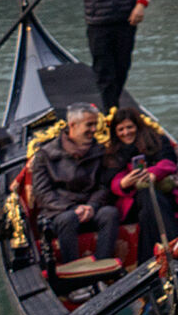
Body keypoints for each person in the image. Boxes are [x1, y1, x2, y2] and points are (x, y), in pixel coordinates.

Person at [31, 103, 121, 264]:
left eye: (95, 124)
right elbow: (42, 193)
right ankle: (72, 271)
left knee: (110, 213)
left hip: (91, 208)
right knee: (68, 218)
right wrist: (72, 209)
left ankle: (103, 266)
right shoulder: (45, 154)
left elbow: (104, 186)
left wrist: (92, 206)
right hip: (59, 211)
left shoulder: (100, 151)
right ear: (73, 125)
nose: (94, 129)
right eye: (90, 125)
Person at [104, 109, 178, 251]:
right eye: (121, 129)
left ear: (137, 126)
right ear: (115, 132)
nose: (126, 132)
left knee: (147, 205)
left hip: (165, 193)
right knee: (146, 195)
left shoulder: (157, 140)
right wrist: (123, 183)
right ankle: (175, 244)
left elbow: (168, 162)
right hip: (132, 203)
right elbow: (111, 180)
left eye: (130, 127)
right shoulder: (114, 152)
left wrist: (152, 174)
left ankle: (148, 258)